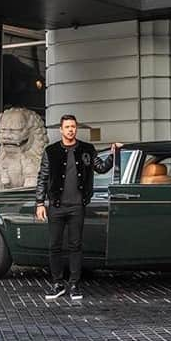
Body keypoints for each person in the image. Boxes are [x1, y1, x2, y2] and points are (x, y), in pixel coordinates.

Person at [35, 114, 122, 300]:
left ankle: (74, 284)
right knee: (54, 246)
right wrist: (40, 203)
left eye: (73, 126)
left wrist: (115, 153)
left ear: (76, 128)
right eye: (67, 127)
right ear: (61, 130)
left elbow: (101, 167)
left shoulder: (87, 149)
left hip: (77, 207)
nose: (70, 130)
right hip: (56, 206)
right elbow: (42, 177)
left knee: (75, 246)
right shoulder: (50, 151)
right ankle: (57, 284)